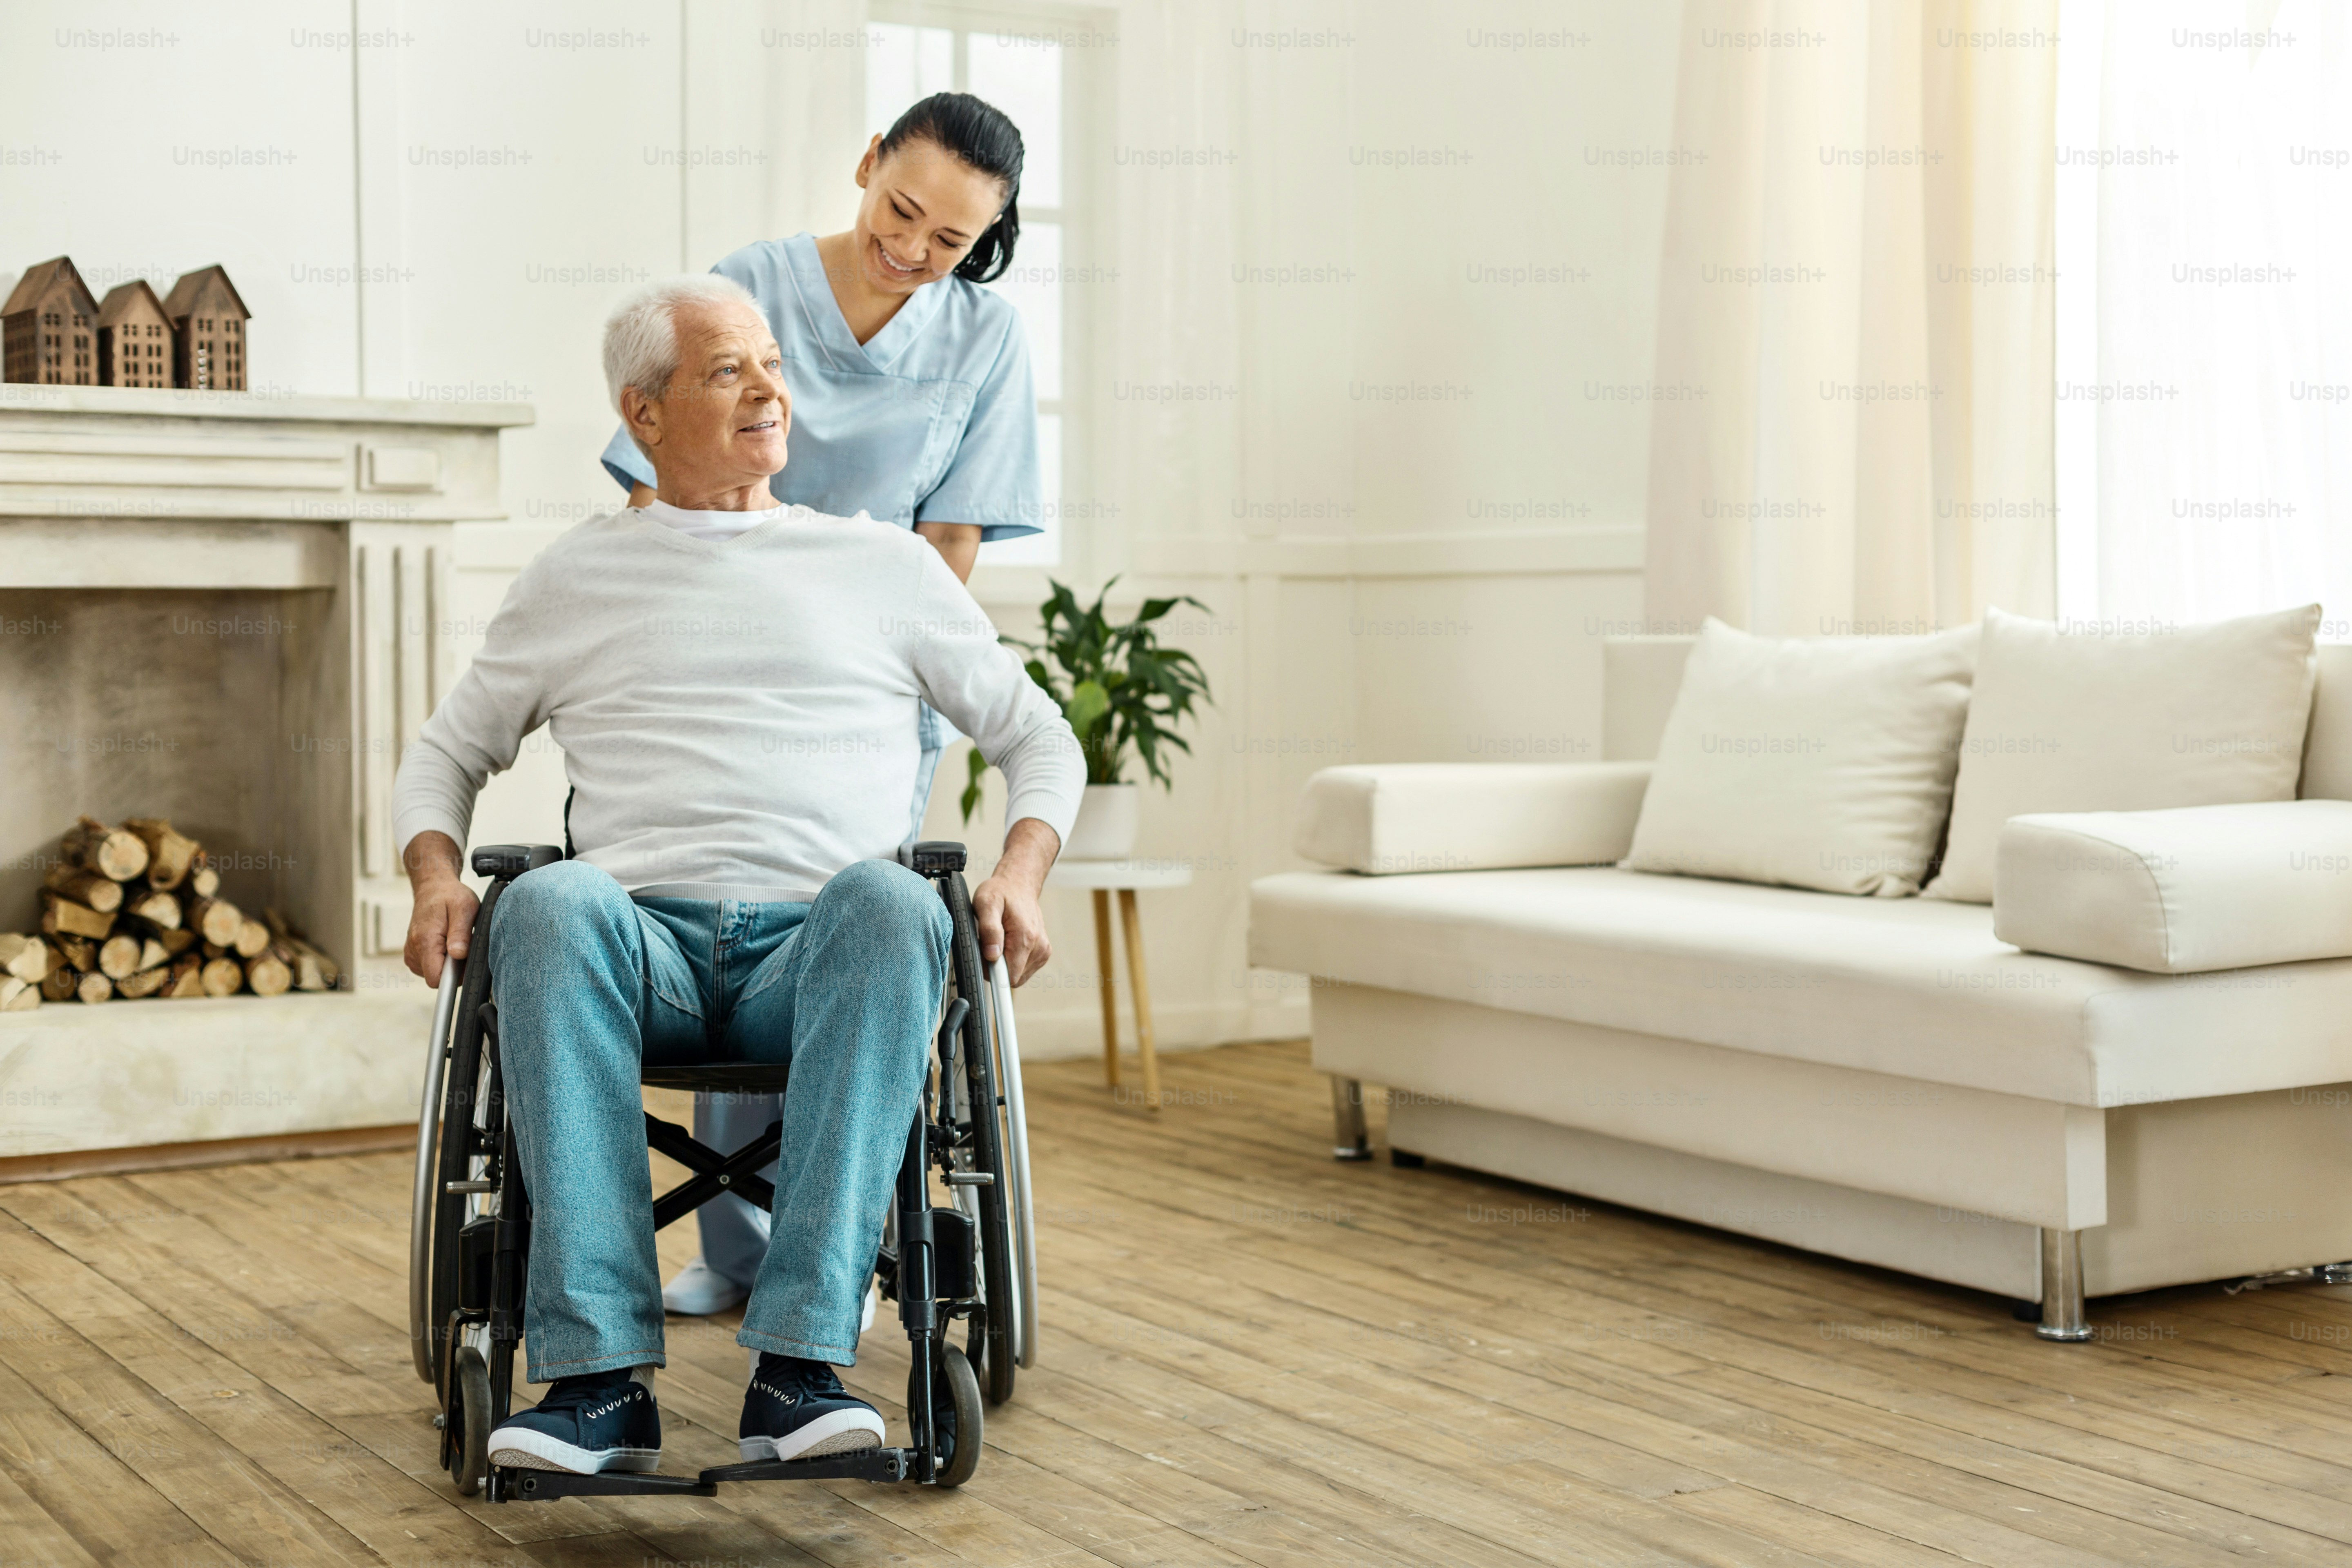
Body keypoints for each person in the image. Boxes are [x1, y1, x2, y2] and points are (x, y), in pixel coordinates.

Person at [392, 274, 1079, 1474]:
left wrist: (1021, 871)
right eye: (729, 372)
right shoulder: (575, 576)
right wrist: (436, 877)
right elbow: (446, 754)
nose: (770, 389)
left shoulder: (884, 567)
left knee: (892, 897)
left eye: (772, 364)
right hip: (635, 947)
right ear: (642, 412)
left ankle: (803, 1374)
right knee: (545, 902)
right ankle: (600, 1385)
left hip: (822, 943)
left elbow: (1039, 738)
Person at [596, 93, 1042, 1317]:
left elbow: (950, 535)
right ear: (865, 167)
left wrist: (873, 648)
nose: (914, 248)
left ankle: (822, 1237)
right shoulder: (749, 287)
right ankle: (733, 1244)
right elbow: (655, 488)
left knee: (836, 922)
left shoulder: (985, 339)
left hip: (869, 676)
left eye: (948, 240)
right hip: (712, 654)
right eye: (901, 210)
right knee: (719, 903)